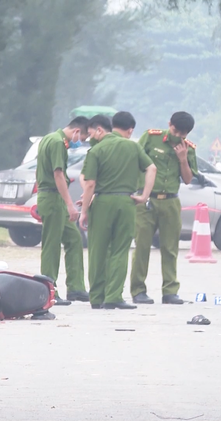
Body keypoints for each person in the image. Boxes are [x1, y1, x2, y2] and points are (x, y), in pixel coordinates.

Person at [79, 114, 157, 309]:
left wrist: (84, 210)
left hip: (103, 201)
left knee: (97, 250)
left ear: (102, 129)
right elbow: (152, 168)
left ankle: (96, 297)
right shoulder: (133, 147)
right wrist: (144, 196)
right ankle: (113, 296)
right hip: (126, 202)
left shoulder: (96, 150)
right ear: (128, 129)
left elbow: (89, 184)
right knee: (120, 250)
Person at [130, 111, 198, 305]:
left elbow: (187, 179)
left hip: (170, 202)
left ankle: (170, 291)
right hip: (147, 200)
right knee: (142, 246)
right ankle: (138, 290)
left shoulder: (189, 148)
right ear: (169, 124)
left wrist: (183, 159)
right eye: (176, 131)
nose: (178, 136)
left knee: (170, 248)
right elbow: (135, 162)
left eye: (183, 134)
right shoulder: (151, 138)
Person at [36, 116, 90, 307]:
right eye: (82, 138)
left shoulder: (49, 138)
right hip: (53, 198)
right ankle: (48, 290)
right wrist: (69, 204)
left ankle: (76, 287)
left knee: (74, 238)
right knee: (51, 245)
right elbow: (58, 174)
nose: (80, 142)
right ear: (76, 131)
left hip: (52, 196)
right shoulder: (58, 143)